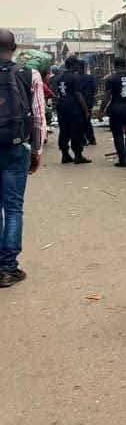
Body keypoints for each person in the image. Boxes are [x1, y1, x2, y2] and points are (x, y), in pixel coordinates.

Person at [0, 30, 43, 287]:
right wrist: (36, 150)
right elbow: (38, 116)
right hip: (16, 148)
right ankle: (8, 269)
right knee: (13, 208)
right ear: (14, 48)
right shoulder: (29, 74)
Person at [54, 58, 90, 164]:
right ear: (73, 65)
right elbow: (78, 94)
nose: (78, 67)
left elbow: (56, 93)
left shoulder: (58, 77)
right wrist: (86, 110)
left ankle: (65, 155)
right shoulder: (75, 77)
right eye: (77, 65)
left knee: (64, 130)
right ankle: (78, 155)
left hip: (61, 106)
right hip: (73, 107)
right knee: (76, 131)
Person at [103, 59, 126, 167]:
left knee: (118, 134)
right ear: (125, 65)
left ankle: (123, 160)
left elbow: (107, 96)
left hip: (116, 109)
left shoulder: (110, 79)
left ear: (115, 66)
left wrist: (101, 110)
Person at [78, 62, 97, 146]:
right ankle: (91, 139)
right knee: (87, 121)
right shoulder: (91, 77)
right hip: (89, 102)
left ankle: (84, 140)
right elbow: (95, 89)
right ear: (85, 68)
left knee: (81, 122)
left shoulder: (76, 78)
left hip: (79, 103)